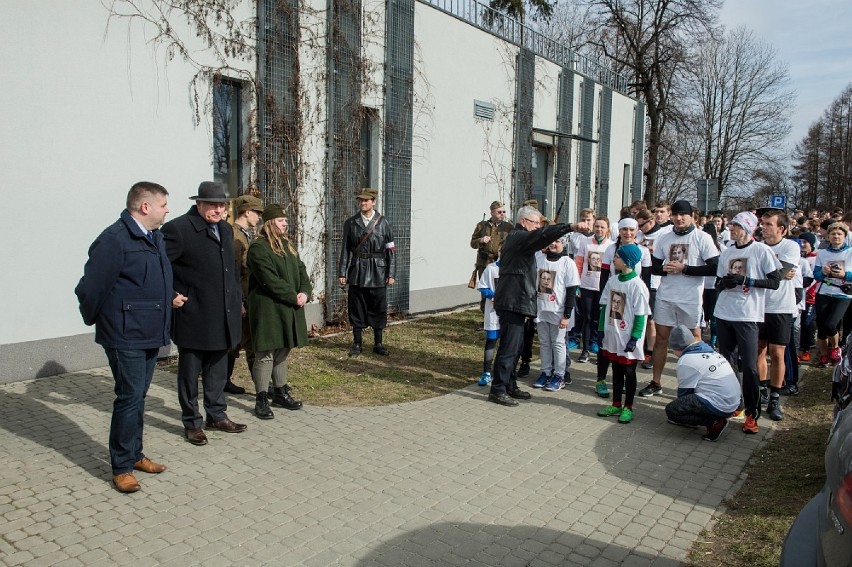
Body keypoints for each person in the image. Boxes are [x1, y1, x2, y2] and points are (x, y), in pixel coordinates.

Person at [75, 182, 175, 492]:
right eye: (163, 205)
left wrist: (169, 296)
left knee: (138, 397)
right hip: (124, 335)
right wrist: (102, 323)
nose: (167, 210)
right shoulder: (114, 240)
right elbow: (89, 289)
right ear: (145, 207)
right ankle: (120, 466)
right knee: (129, 398)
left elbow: (148, 281)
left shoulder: (153, 237)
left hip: (148, 332)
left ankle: (135, 454)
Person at [162, 181, 247, 446]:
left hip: (223, 313)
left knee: (218, 370)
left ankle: (217, 415)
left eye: (221, 205)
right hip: (195, 313)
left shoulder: (224, 228)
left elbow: (231, 270)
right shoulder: (178, 229)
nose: (218, 210)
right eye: (212, 205)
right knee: (190, 372)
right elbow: (160, 266)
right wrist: (172, 294)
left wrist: (238, 298)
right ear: (198, 204)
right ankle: (192, 422)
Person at [487, 206, 590, 406]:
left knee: (516, 348)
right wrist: (569, 227)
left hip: (519, 301)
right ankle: (498, 389)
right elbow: (543, 236)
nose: (538, 227)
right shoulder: (517, 236)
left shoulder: (522, 240)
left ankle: (510, 384)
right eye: (535, 223)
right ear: (524, 221)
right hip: (512, 301)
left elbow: (541, 238)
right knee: (509, 348)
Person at [641, 200, 719, 397]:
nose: (679, 218)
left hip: (691, 298)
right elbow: (655, 267)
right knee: (661, 339)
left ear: (691, 216)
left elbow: (714, 267)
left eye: (683, 214)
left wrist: (686, 269)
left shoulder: (702, 238)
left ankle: (696, 386)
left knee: (695, 341)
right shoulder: (664, 238)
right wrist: (666, 269)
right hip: (666, 296)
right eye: (675, 214)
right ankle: (656, 382)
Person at [713, 211, 782, 434]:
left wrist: (746, 280)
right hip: (724, 313)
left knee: (750, 367)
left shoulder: (761, 250)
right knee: (727, 363)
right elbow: (717, 281)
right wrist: (723, 283)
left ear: (749, 228)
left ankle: (752, 414)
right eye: (731, 226)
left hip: (748, 316)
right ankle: (736, 404)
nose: (731, 229)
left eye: (736, 226)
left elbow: (775, 281)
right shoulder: (727, 252)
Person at [246, 204, 311, 419]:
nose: (286, 223)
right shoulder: (258, 248)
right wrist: (293, 295)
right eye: (281, 220)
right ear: (270, 223)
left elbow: (301, 269)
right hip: (268, 308)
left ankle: (281, 393)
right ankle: (261, 398)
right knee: (265, 353)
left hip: (289, 306)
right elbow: (269, 280)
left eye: (286, 220)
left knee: (283, 350)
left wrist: (304, 291)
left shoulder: (287, 245)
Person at [596, 244, 651, 424]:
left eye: (618, 257)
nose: (614, 259)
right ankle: (616, 403)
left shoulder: (637, 285)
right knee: (616, 369)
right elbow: (605, 305)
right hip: (613, 333)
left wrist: (635, 338)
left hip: (627, 336)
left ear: (628, 261)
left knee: (629, 371)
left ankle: (628, 407)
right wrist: (601, 329)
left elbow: (641, 314)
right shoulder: (613, 281)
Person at [338, 188, 396, 357]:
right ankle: (357, 343)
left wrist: (391, 273)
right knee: (356, 307)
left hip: (378, 271)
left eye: (366, 200)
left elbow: (390, 250)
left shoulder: (384, 222)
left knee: (378, 307)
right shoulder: (351, 223)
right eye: (360, 200)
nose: (363, 203)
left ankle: (378, 343)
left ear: (374, 201)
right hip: (357, 270)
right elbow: (345, 250)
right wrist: (342, 273)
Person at [757, 210, 801, 421]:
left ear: (781, 228)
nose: (763, 227)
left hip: (781, 306)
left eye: (768, 224)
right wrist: (777, 272)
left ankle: (775, 397)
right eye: (763, 223)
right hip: (758, 305)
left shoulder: (790, 246)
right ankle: (761, 389)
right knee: (759, 350)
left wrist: (777, 272)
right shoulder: (758, 246)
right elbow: (773, 273)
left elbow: (781, 274)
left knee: (777, 352)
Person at [664, 325, 740, 442]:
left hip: (721, 404)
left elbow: (684, 393)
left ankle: (715, 423)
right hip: (732, 401)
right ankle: (714, 417)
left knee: (672, 410)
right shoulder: (707, 349)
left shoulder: (686, 361)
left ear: (677, 348)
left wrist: (684, 412)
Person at [225, 194, 265, 396]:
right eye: (257, 213)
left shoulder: (246, 234)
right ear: (247, 212)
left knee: (239, 343)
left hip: (247, 297)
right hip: (242, 299)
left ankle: (225, 380)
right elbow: (233, 273)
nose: (259, 217)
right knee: (249, 344)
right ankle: (262, 389)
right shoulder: (235, 237)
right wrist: (239, 301)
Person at [532, 236, 580, 392]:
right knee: (544, 342)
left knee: (558, 343)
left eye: (557, 241)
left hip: (558, 312)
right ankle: (545, 372)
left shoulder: (568, 263)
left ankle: (559, 375)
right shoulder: (540, 258)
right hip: (541, 309)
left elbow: (572, 291)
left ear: (563, 244)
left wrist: (567, 315)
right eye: (551, 241)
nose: (553, 244)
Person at [813, 222, 852, 367]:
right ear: (828, 236)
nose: (836, 236)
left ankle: (835, 348)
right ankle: (823, 356)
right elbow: (816, 275)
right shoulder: (822, 253)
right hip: (824, 291)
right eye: (833, 234)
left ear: (844, 236)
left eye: (839, 234)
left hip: (843, 293)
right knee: (822, 328)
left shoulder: (850, 252)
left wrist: (845, 274)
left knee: (830, 325)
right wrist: (822, 272)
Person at [575, 217, 612, 363]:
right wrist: (577, 284)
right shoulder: (585, 242)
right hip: (586, 285)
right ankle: (585, 349)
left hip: (603, 287)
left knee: (600, 319)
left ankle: (598, 346)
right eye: (597, 226)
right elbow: (578, 264)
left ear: (607, 229)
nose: (599, 229)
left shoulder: (610, 245)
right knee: (587, 318)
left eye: (602, 227)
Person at [470, 201, 513, 309]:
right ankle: (485, 317)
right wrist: (481, 240)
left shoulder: (508, 227)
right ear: (492, 212)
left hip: (501, 263)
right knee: (485, 289)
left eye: (504, 211)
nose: (502, 214)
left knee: (501, 288)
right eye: (499, 212)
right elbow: (472, 243)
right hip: (484, 263)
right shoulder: (482, 226)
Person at [476, 254, 501, 386]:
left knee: (506, 343)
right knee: (491, 340)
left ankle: (501, 372)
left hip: (508, 313)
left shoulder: (514, 268)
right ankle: (486, 372)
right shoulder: (491, 269)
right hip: (493, 313)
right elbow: (482, 287)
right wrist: (492, 295)